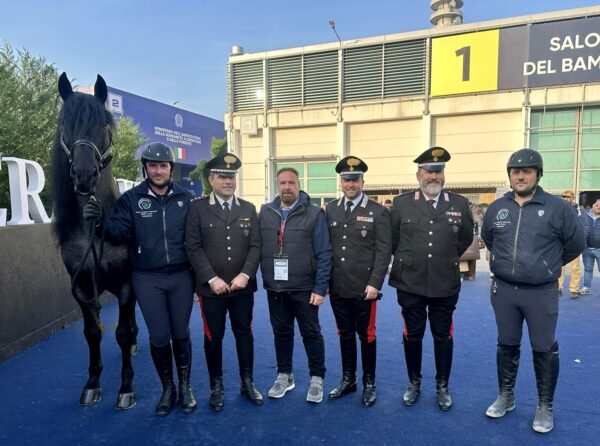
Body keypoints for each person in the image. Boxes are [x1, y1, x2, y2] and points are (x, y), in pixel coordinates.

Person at [83, 142, 196, 416]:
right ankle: (168, 389)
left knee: (180, 333)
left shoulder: (186, 198)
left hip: (181, 276)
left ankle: (185, 386)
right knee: (158, 336)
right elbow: (119, 232)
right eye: (153, 166)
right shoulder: (131, 199)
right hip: (147, 278)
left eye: (163, 166)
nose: (158, 171)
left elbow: (199, 236)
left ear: (171, 169)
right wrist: (100, 223)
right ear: (145, 168)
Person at [481, 148, 585, 433]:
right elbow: (489, 240)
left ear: (538, 174)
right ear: (509, 175)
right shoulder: (496, 208)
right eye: (516, 171)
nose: (521, 176)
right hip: (504, 291)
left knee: (543, 348)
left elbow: (575, 245)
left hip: (541, 293)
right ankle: (506, 396)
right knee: (507, 344)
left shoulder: (558, 207)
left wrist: (545, 265)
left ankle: (544, 406)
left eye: (527, 171)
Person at [389, 146, 473, 411]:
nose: (433, 176)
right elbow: (392, 240)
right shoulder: (402, 204)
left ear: (444, 174)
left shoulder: (458, 203)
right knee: (412, 335)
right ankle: (414, 383)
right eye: (428, 171)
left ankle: (442, 386)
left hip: (444, 281)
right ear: (418, 174)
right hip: (410, 282)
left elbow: (465, 237)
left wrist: (443, 258)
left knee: (442, 335)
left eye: (438, 171)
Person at [185, 153, 263, 412]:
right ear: (211, 179)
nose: (228, 181)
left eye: (231, 176)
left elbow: (256, 245)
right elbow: (193, 247)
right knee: (213, 337)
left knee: (244, 334)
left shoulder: (248, 208)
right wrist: (211, 278)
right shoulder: (197, 208)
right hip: (211, 289)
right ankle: (216, 386)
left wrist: (246, 274)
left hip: (243, 288)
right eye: (222, 176)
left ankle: (247, 382)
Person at [259, 167, 333, 403]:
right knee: (281, 333)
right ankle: (284, 375)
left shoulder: (314, 213)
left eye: (291, 182)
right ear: (277, 186)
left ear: (298, 185)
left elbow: (325, 253)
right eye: (282, 183)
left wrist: (320, 288)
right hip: (276, 288)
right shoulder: (266, 212)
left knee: (311, 333)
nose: (287, 187)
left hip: (304, 288)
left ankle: (317, 378)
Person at [325, 156, 392, 407]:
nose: (350, 184)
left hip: (365, 289)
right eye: (346, 179)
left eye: (355, 179)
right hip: (339, 287)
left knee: (367, 336)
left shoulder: (378, 211)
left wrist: (375, 283)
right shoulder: (331, 209)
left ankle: (369, 383)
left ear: (362, 181)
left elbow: (384, 251)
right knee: (344, 334)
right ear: (340, 181)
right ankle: (348, 379)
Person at [558, 190, 583, 298]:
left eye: (568, 197)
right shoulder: (557, 208)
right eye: (564, 197)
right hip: (560, 242)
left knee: (575, 267)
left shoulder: (579, 210)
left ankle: (574, 289)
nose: (566, 199)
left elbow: (583, 225)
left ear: (573, 198)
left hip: (573, 241)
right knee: (559, 266)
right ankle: (558, 287)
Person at [580, 198, 600, 296]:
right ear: (593, 205)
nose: (598, 207)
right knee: (588, 269)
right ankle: (586, 288)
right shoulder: (585, 216)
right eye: (597, 205)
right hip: (587, 248)